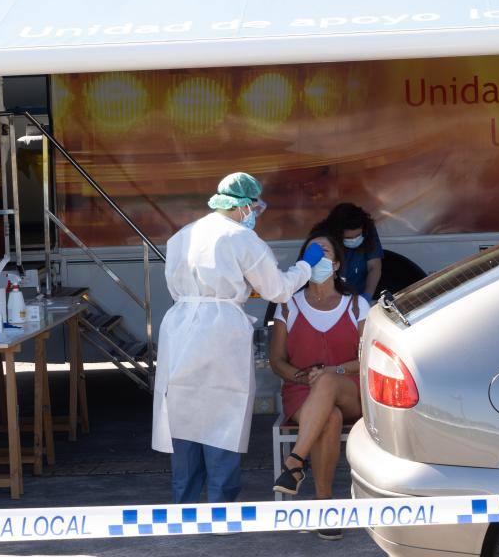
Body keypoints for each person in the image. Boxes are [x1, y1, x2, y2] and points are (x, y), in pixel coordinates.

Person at [152, 172, 325, 505]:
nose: (256, 214)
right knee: (223, 417)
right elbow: (278, 290)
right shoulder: (241, 239)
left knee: (183, 418)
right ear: (244, 205)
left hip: (180, 327)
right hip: (220, 333)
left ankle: (184, 508)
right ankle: (221, 508)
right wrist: (306, 266)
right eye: (256, 207)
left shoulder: (184, 235)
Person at [269, 233, 367, 540]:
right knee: (331, 417)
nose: (317, 258)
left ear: (336, 263)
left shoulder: (356, 305)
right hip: (302, 391)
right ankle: (325, 508)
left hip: (350, 386)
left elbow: (368, 357)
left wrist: (332, 371)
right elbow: (277, 361)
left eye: (323, 252)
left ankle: (294, 462)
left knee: (327, 383)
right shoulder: (288, 304)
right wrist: (302, 377)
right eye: (310, 252)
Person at [320, 203, 383, 301]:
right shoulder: (322, 239)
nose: (354, 240)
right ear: (337, 234)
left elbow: (374, 267)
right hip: (329, 298)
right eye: (348, 238)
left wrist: (367, 297)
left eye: (357, 236)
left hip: (359, 295)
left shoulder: (368, 231)